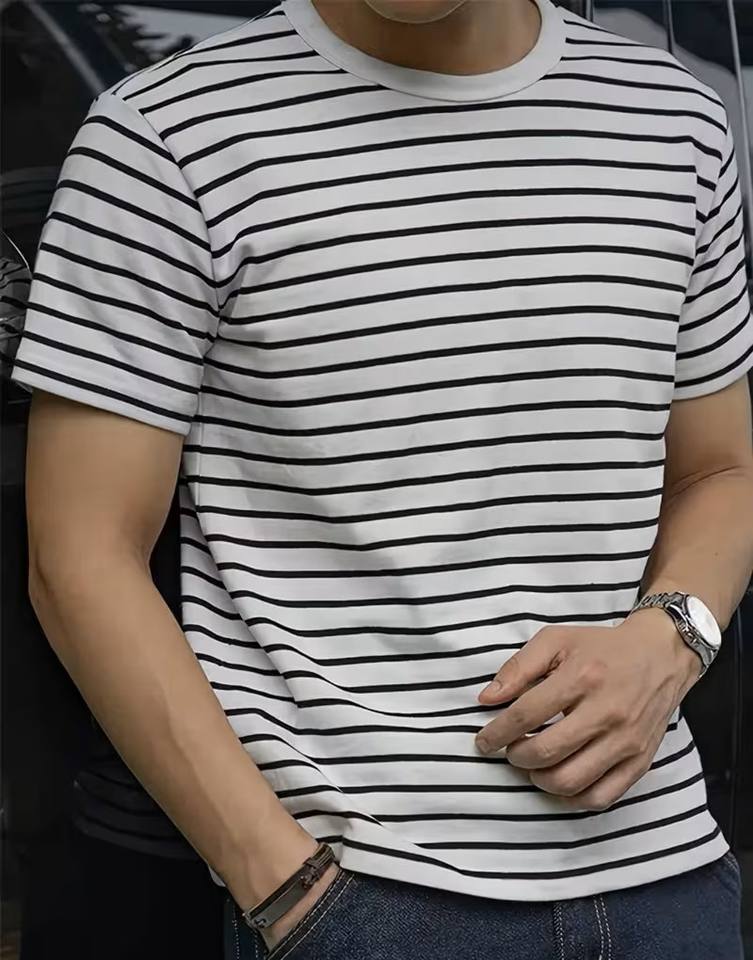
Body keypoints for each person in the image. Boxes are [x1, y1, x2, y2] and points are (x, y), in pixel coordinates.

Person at [11, 0, 753, 956]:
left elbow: (720, 469)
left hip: (671, 881)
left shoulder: (673, 121)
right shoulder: (166, 135)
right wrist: (285, 889)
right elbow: (80, 555)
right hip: (362, 898)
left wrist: (672, 636)